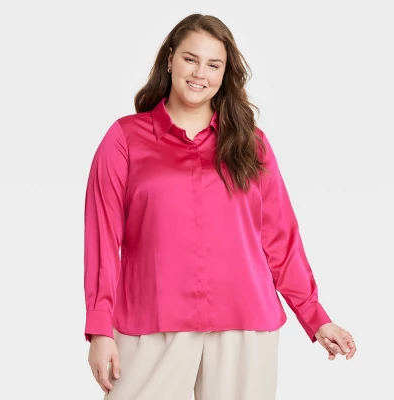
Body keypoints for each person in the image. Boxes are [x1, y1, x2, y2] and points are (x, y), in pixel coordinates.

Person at [83, 13, 357, 400]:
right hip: (152, 319)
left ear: (225, 73)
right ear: (170, 60)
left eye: (213, 65)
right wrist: (99, 328)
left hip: (244, 323)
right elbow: (102, 240)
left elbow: (279, 238)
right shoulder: (125, 139)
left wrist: (315, 316)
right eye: (190, 59)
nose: (200, 73)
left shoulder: (252, 144)